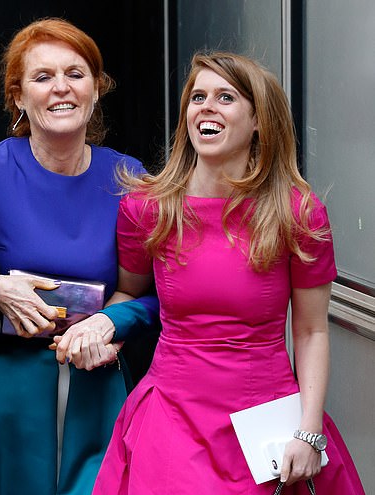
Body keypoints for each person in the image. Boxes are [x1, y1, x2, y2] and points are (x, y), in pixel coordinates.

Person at [92, 51, 365, 494]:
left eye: (225, 97)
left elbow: (312, 331)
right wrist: (101, 331)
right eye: (197, 96)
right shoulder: (148, 209)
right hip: (171, 418)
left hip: (265, 426)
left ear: (258, 120)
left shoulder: (297, 213)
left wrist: (308, 430)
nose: (206, 106)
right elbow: (130, 296)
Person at [0, 18, 159, 495]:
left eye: (75, 74)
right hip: (8, 388)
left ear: (96, 89)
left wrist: (111, 323)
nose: (61, 89)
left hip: (98, 379)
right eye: (42, 76)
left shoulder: (130, 179)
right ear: (18, 97)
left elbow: (159, 295)